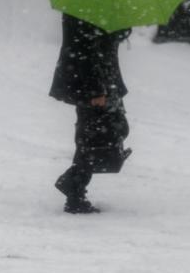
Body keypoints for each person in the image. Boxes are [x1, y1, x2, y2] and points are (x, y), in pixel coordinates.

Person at [50, 13, 132, 214]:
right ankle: (74, 189)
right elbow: (83, 49)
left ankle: (74, 185)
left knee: (102, 133)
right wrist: (96, 90)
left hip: (104, 79)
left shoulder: (100, 6)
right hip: (93, 83)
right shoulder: (82, 10)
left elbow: (109, 38)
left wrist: (123, 25)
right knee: (94, 136)